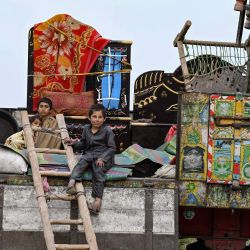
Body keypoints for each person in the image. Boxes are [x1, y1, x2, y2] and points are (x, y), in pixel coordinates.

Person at [64, 103, 116, 215]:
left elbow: (112, 148)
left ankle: (97, 200)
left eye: (100, 117)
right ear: (89, 117)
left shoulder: (107, 131)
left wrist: (103, 158)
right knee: (81, 162)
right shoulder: (86, 129)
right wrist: (73, 143)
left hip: (103, 157)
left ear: (104, 119)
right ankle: (72, 182)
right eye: (94, 117)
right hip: (89, 154)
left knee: (98, 170)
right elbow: (82, 143)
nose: (97, 120)